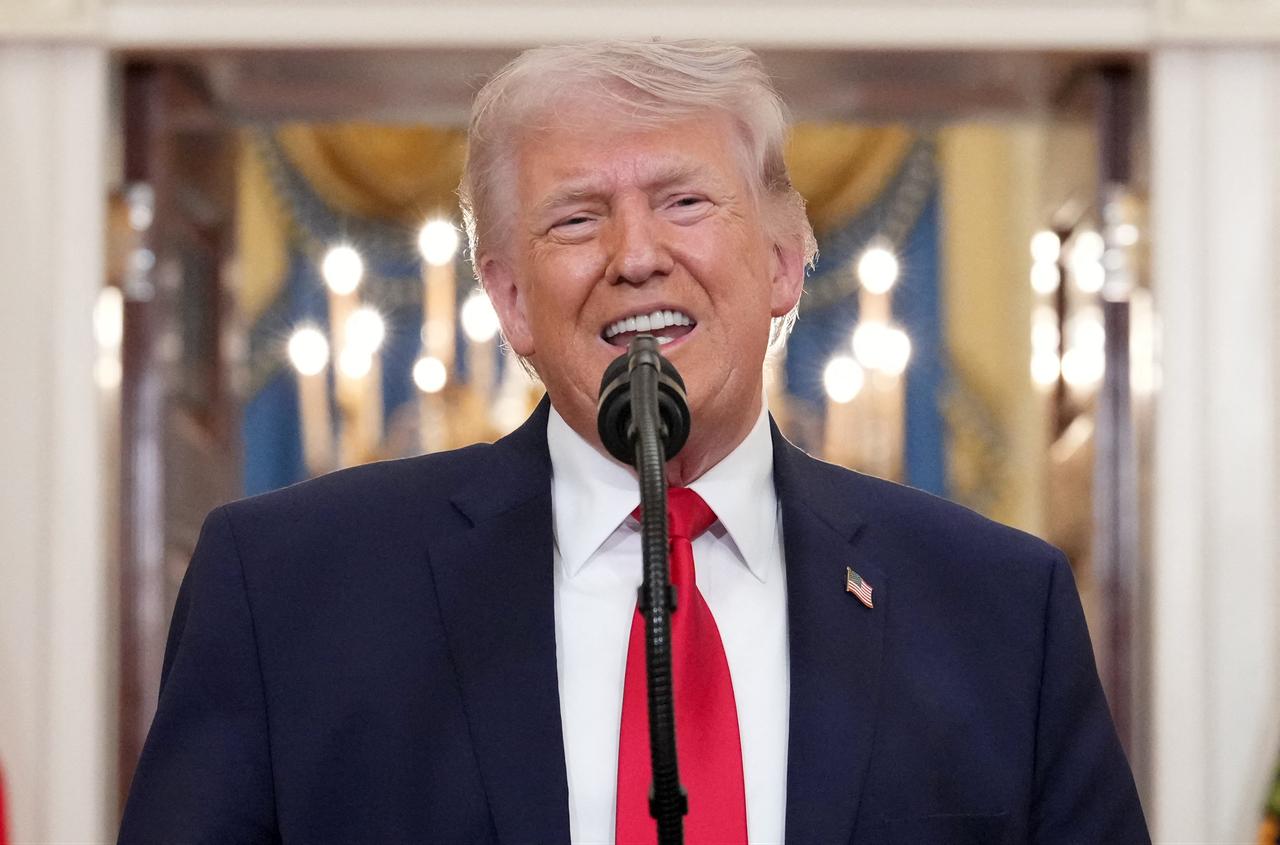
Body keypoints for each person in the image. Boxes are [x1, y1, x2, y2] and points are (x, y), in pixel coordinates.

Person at [119, 40, 1150, 844]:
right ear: (510, 301)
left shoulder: (998, 610)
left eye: (683, 201)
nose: (636, 255)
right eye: (575, 219)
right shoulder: (288, 591)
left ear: (785, 260)